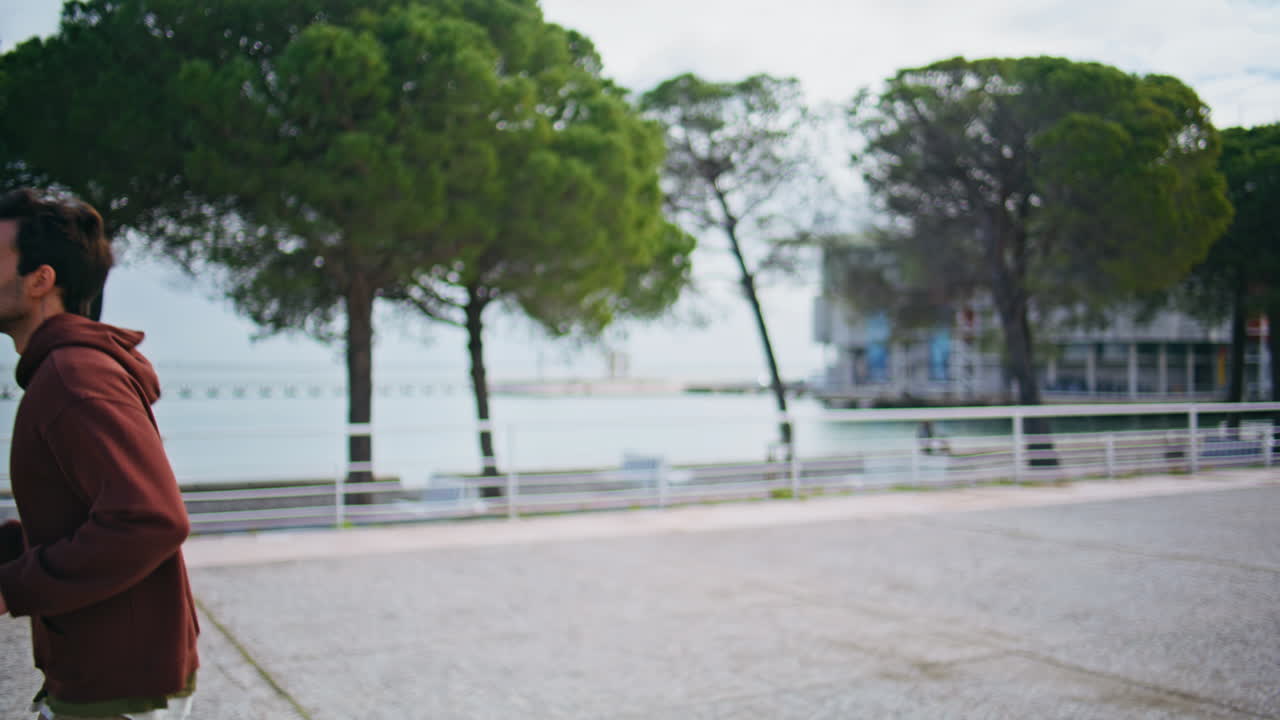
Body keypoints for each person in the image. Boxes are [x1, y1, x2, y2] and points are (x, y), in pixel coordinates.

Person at [0, 189, 198, 719]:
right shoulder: (62, 372)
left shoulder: (73, 376)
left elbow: (150, 518)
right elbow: (92, 514)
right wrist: (13, 546)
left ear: (40, 280)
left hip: (116, 688)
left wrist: (13, 585)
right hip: (105, 674)